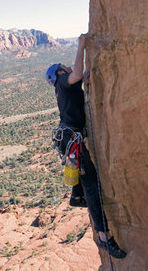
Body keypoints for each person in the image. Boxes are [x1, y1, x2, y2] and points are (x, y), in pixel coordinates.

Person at [46, 34, 126, 259]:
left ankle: (76, 195)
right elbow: (76, 75)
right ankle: (104, 237)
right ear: (59, 73)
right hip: (73, 141)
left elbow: (80, 78)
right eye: (63, 66)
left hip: (71, 139)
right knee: (92, 185)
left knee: (84, 176)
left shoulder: (65, 87)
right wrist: (81, 46)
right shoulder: (63, 82)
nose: (66, 66)